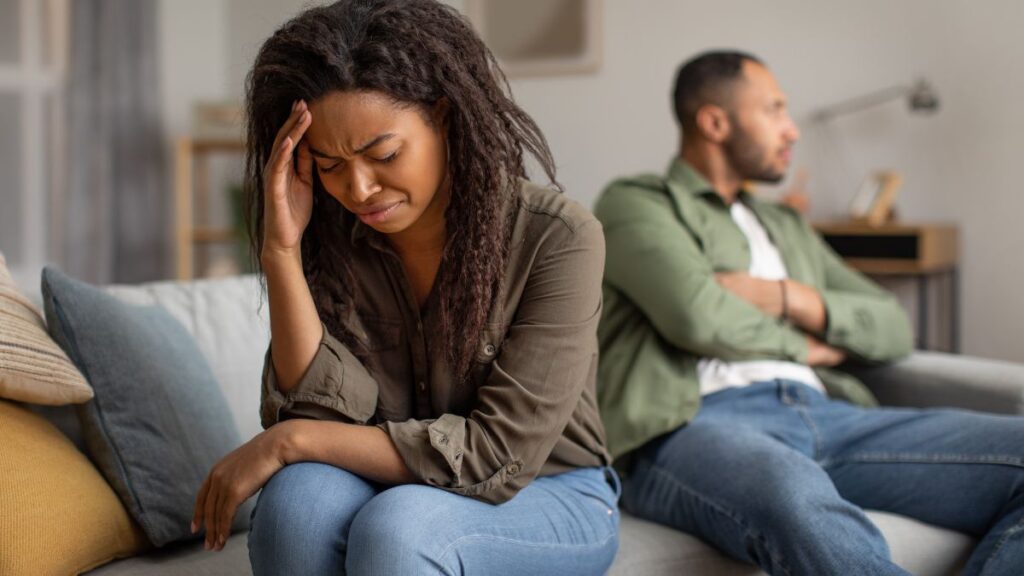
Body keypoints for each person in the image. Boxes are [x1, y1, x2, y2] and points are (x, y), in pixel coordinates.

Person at [190, 1, 619, 574]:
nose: (360, 188)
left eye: (384, 154)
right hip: (390, 479)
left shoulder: (556, 237)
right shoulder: (329, 231)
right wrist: (282, 251)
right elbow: (318, 413)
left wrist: (285, 443)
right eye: (330, 165)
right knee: (295, 508)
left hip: (550, 490)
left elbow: (498, 457)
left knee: (399, 530)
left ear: (443, 117)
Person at [594, 50, 1024, 575]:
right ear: (714, 122)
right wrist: (804, 343)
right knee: (794, 495)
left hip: (828, 416)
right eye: (774, 110)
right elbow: (697, 317)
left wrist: (786, 297)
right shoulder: (638, 203)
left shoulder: (786, 226)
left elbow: (891, 324)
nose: (792, 130)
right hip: (696, 422)